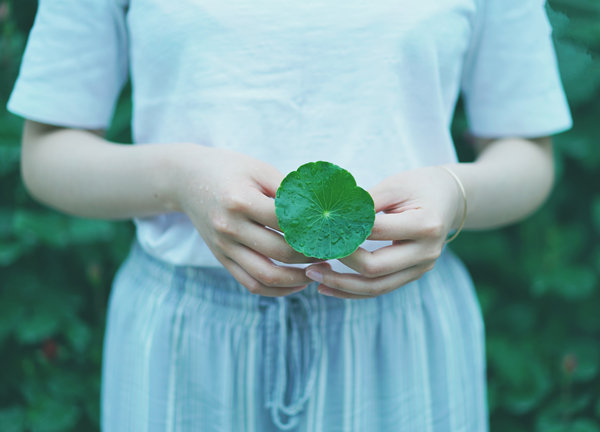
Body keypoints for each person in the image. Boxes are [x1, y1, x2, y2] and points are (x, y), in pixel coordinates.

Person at [8, 0, 571, 430]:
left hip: (403, 327)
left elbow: (527, 155)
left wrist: (455, 192)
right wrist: (179, 178)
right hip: (185, 336)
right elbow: (48, 153)